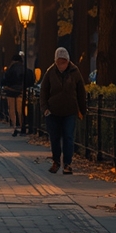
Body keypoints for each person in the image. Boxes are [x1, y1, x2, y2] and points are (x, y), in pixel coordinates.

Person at [38, 47, 87, 175]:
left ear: (68, 61)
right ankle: (56, 161)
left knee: (68, 137)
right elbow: (43, 92)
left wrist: (82, 110)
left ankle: (67, 163)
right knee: (54, 138)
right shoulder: (50, 72)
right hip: (53, 112)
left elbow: (81, 92)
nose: (61, 65)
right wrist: (45, 109)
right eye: (59, 62)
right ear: (55, 61)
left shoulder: (75, 72)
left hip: (69, 111)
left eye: (64, 62)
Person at [0, 54, 29, 136]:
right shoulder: (24, 68)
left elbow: (4, 79)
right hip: (21, 91)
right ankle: (22, 125)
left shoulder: (11, 68)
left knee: (12, 109)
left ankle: (15, 126)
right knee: (20, 109)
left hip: (11, 91)